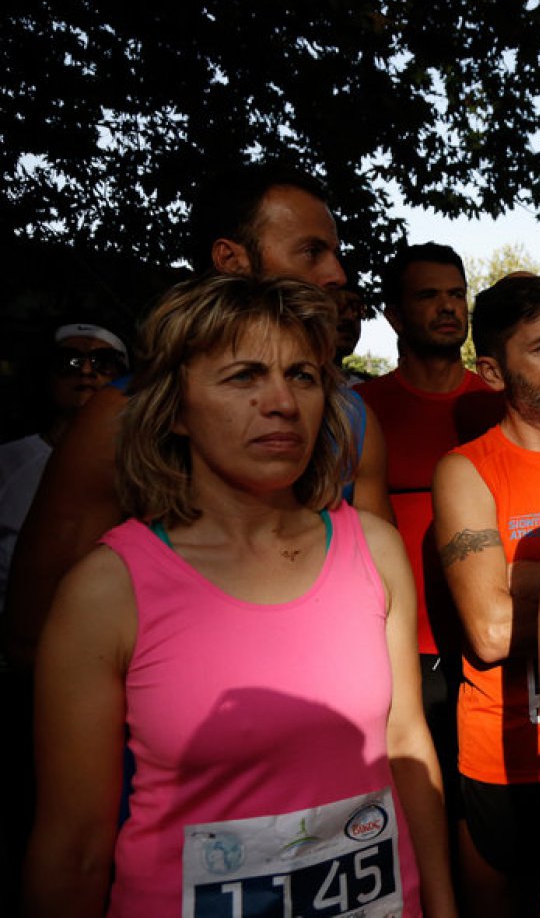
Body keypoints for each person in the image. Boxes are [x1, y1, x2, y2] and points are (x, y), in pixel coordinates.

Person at [22, 275, 454, 917]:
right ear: (174, 408)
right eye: (244, 376)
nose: (282, 402)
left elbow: (407, 746)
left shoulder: (375, 550)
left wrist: (441, 906)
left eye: (302, 376)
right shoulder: (106, 592)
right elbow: (75, 850)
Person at [2, 162, 393, 669]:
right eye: (311, 251)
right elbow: (35, 634)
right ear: (230, 259)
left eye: (300, 378)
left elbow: (379, 607)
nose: (336, 274)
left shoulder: (354, 421)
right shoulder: (119, 419)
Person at [431, 275, 540, 916]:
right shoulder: (465, 469)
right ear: (492, 371)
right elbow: (492, 632)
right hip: (506, 759)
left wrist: (519, 575)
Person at [356, 241, 505, 798]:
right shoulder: (360, 409)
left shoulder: (499, 404)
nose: (448, 307)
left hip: (492, 644)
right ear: (394, 315)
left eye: (456, 294)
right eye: (428, 296)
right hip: (397, 649)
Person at [0, 324, 128, 614]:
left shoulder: (148, 469)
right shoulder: (7, 462)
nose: (86, 371)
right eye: (69, 362)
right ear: (47, 377)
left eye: (104, 363)